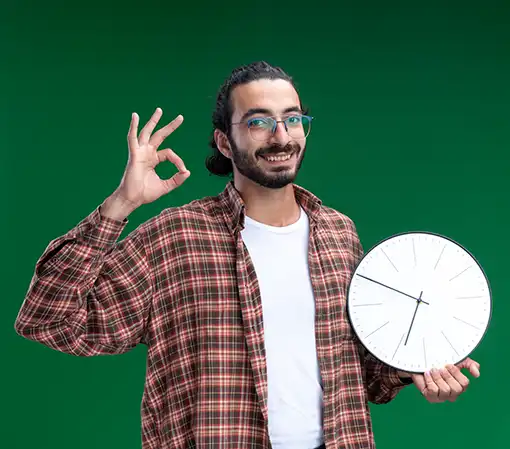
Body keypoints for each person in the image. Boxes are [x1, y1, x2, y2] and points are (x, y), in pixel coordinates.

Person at [14, 61, 480, 449]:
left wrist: (415, 367)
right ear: (223, 141)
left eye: (292, 118)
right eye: (258, 121)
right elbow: (49, 321)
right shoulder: (176, 237)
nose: (281, 136)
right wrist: (121, 204)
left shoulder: (339, 234)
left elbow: (362, 376)